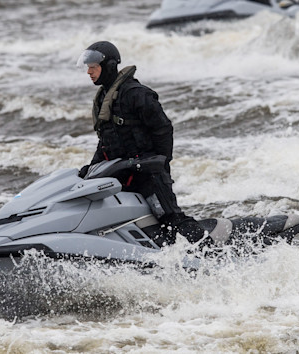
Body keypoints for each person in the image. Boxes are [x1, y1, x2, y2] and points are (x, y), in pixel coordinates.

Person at [76, 41, 208, 247]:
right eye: (88, 67)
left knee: (171, 219)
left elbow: (164, 129)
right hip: (122, 174)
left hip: (148, 174)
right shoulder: (103, 97)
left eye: (93, 67)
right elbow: (106, 141)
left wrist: (160, 164)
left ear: (109, 66)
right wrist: (90, 170)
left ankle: (212, 253)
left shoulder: (137, 94)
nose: (89, 72)